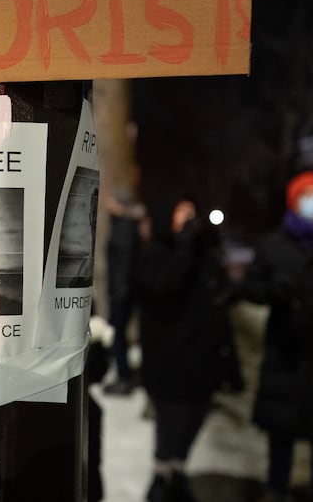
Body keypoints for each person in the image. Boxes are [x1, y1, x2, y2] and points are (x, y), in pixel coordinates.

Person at [134, 194, 239, 502]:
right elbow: (167, 287)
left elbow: (220, 290)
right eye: (181, 215)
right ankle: (161, 478)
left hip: (202, 360)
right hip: (170, 364)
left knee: (195, 420)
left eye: (191, 214)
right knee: (172, 426)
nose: (188, 222)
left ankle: (177, 473)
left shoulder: (198, 253)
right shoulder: (154, 255)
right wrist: (184, 244)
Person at [235, 171, 313, 502]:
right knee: (281, 430)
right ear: (294, 201)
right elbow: (251, 288)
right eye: (309, 195)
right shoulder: (273, 245)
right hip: (285, 350)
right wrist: (273, 291)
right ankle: (276, 487)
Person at [103, 187, 145, 395]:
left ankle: (124, 376)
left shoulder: (125, 228)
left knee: (117, 333)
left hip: (122, 293)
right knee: (117, 333)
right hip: (122, 290)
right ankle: (123, 373)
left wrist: (120, 291)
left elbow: (124, 263)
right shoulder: (124, 225)